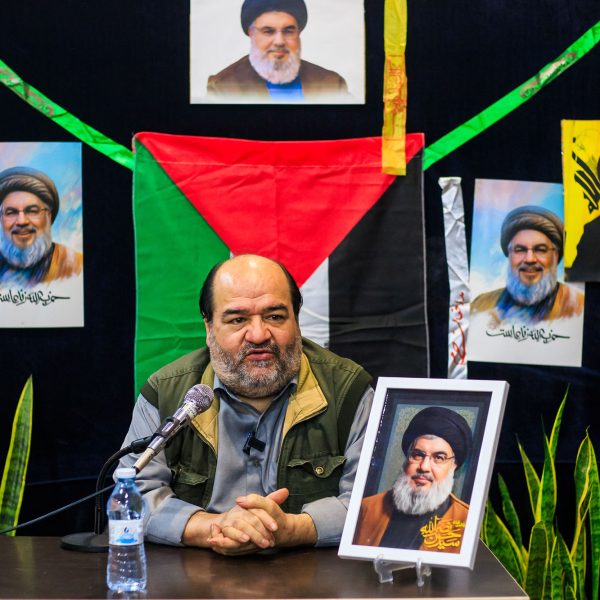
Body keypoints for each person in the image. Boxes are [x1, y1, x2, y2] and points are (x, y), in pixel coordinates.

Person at [119, 254, 373, 555]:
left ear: (296, 321)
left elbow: (375, 503)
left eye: (275, 316)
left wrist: (293, 529)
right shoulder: (166, 393)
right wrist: (215, 527)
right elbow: (132, 494)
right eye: (238, 320)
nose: (258, 335)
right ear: (209, 328)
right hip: (195, 572)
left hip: (314, 572)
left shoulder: (348, 390)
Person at [353, 406, 472, 552]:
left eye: (439, 458)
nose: (424, 467)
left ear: (453, 466)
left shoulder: (467, 521)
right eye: (418, 455)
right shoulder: (367, 508)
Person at [206, 0, 350, 102]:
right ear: (251, 34)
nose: (280, 41)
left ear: (298, 34)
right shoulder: (223, 87)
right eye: (268, 31)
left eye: (288, 31)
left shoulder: (332, 83)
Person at [471, 205, 584, 325]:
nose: (530, 259)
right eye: (520, 250)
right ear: (509, 254)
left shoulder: (579, 307)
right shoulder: (481, 305)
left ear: (555, 255)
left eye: (540, 250)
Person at [0, 166, 83, 288]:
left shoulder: (76, 267)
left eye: (32, 211)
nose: (21, 221)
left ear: (48, 216)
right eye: (11, 212)